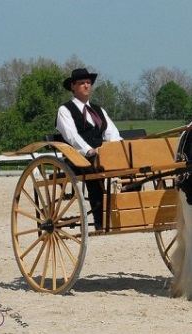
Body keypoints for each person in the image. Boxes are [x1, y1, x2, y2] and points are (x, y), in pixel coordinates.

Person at [56, 68, 122, 230]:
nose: (86, 86)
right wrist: (89, 150)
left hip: (103, 155)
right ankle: (100, 221)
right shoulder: (65, 110)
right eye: (81, 83)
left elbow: (112, 132)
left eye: (88, 83)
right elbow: (72, 136)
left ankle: (127, 212)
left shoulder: (98, 110)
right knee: (94, 172)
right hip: (78, 158)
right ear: (73, 86)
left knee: (133, 169)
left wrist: (116, 148)